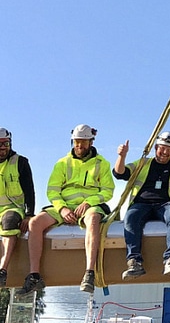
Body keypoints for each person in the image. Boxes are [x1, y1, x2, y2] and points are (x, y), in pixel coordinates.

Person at [18, 124, 114, 294]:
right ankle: (34, 275)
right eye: (77, 141)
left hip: (88, 206)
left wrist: (89, 202)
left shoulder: (102, 163)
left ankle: (89, 273)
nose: (79, 146)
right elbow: (52, 191)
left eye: (83, 142)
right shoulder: (62, 163)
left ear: (91, 142)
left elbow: (107, 191)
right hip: (64, 206)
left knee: (93, 220)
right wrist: (62, 209)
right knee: (35, 223)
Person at [113, 131, 170, 281]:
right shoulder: (143, 163)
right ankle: (134, 262)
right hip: (142, 203)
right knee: (130, 218)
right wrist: (121, 156)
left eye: (169, 150)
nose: (165, 153)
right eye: (162, 148)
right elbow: (120, 173)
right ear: (156, 148)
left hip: (167, 203)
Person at [0, 127, 35, 288]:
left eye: (5, 143)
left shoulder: (20, 162)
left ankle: (2, 270)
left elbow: (29, 191)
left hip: (12, 208)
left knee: (9, 222)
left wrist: (29, 215)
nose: (2, 148)